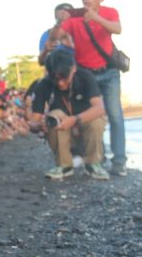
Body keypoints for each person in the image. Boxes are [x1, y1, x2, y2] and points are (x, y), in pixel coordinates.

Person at [60, 0, 126, 175]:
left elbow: (118, 29)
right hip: (86, 74)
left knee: (115, 116)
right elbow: (57, 38)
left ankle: (119, 162)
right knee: (92, 118)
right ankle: (97, 157)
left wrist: (95, 18)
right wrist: (60, 21)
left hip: (109, 72)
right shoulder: (73, 18)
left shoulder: (109, 12)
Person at [30, 48, 108, 180]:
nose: (60, 83)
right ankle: (64, 166)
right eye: (56, 79)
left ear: (74, 69)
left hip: (86, 132)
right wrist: (39, 126)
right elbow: (34, 121)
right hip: (62, 136)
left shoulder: (85, 77)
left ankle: (93, 165)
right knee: (54, 115)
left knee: (96, 118)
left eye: (64, 78)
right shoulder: (43, 84)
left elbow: (100, 108)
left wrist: (74, 119)